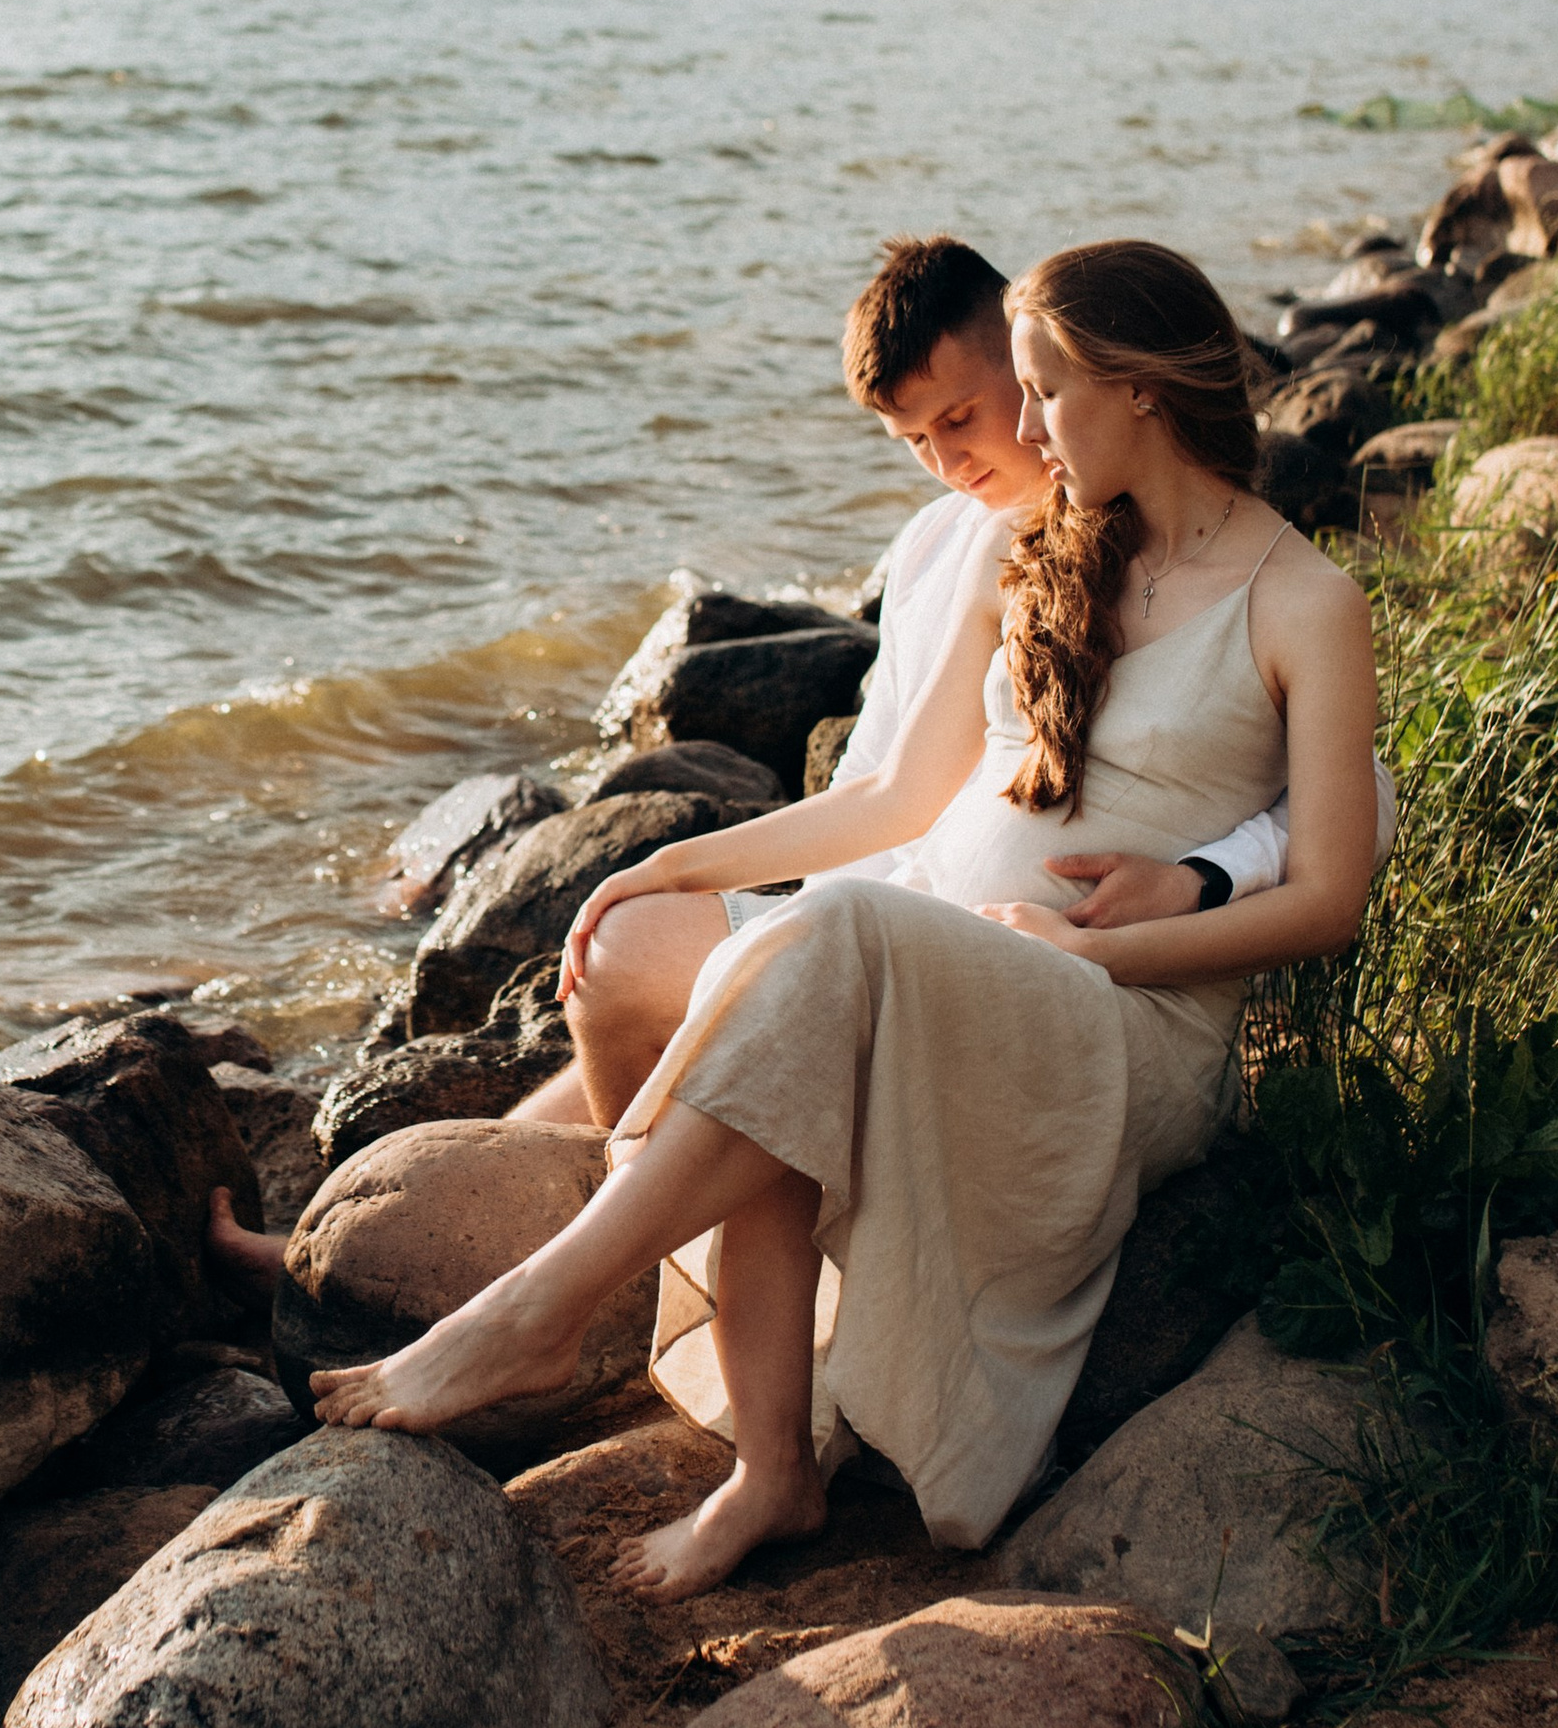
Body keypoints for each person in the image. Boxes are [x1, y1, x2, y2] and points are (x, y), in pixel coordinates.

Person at [311, 241, 1379, 1599]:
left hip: (1132, 1031)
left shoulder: (1306, 603)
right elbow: (897, 797)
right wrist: (676, 871)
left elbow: (1332, 898)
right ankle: (774, 1473)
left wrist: (1113, 942)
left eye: (1044, 394)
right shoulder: (1047, 550)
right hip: (978, 973)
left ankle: (540, 1306)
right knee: (792, 951)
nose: (1030, 432)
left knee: (832, 941)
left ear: (1143, 392)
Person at [507, 230, 1391, 1134]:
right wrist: (676, 873)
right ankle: (560, 1174)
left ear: (1031, 362)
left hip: (986, 958)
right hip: (868, 912)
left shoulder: (1180, 557)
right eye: (913, 441)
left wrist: (1204, 877)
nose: (953, 460)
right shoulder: (938, 548)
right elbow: (882, 788)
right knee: (615, 981)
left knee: (697, 1074)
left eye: (965, 416)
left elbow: (1338, 797)